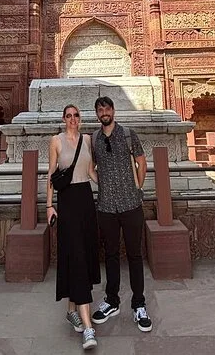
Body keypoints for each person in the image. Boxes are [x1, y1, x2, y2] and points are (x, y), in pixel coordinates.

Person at [90, 96, 152, 332]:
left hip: (131, 204)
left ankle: (139, 303)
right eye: (100, 110)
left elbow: (142, 163)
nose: (104, 112)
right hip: (106, 206)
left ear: (113, 110)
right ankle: (112, 301)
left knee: (135, 255)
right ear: (97, 114)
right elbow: (90, 167)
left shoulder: (128, 134)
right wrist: (103, 183)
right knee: (111, 255)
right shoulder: (94, 139)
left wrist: (137, 188)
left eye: (107, 108)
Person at [47, 104, 101, 350]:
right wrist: (49, 206)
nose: (72, 119)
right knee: (77, 256)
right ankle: (88, 328)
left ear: (80, 118)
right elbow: (51, 174)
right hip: (67, 201)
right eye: (68, 116)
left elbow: (90, 171)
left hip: (85, 200)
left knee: (84, 255)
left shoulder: (87, 140)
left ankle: (71, 311)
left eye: (75, 115)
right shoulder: (56, 141)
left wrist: (112, 185)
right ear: (63, 118)